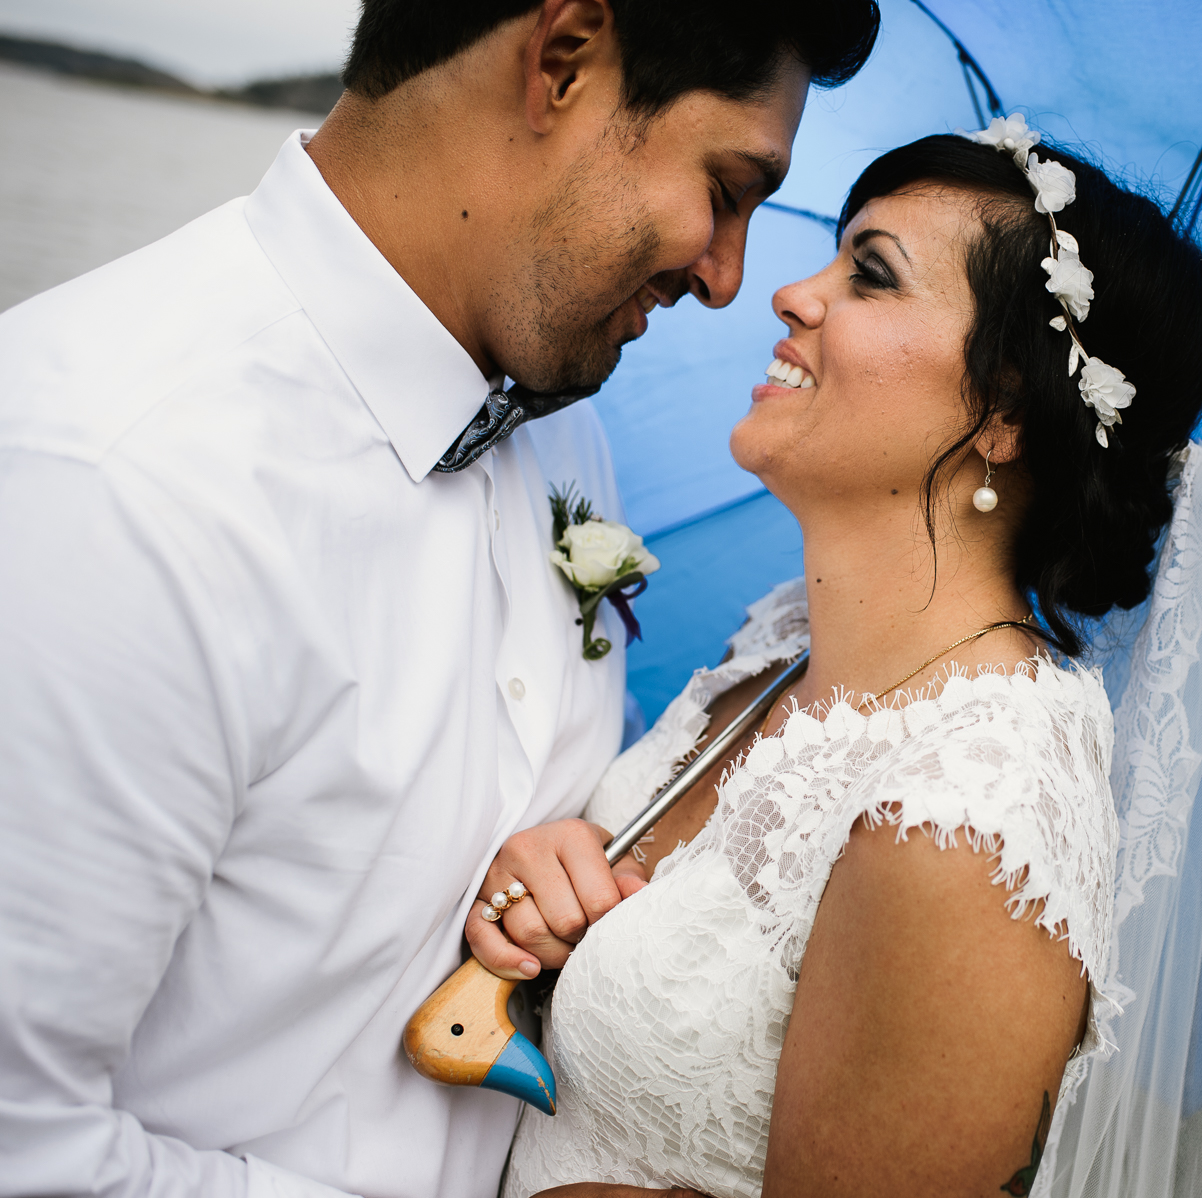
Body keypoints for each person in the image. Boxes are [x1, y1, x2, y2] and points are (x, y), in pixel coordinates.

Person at [0, 2, 877, 1195]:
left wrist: (536, 876)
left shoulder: (567, 447)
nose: (728, 278)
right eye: (727, 189)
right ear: (563, 62)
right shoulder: (110, 483)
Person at [489, 123, 1202, 1198]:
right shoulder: (781, 644)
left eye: (869, 275)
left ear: (1003, 407)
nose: (791, 295)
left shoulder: (977, 810)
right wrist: (558, 874)